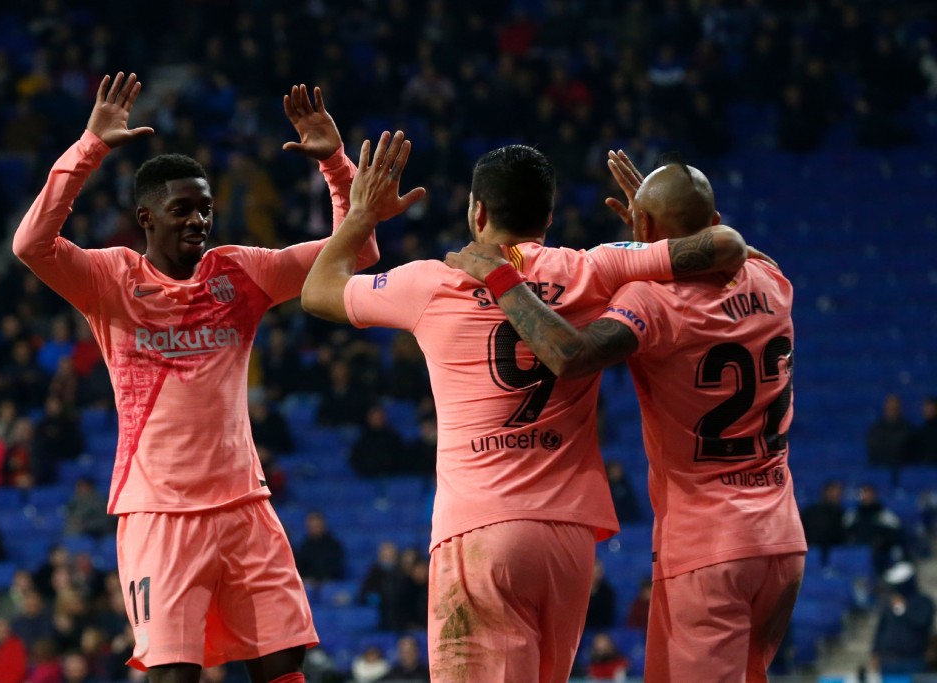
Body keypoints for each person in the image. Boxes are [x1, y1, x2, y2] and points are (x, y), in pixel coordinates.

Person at [300, 135, 747, 682]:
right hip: (568, 537)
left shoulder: (432, 281)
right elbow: (725, 247)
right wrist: (647, 232)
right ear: (549, 216)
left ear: (477, 212)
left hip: (481, 531)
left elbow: (318, 290)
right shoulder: (595, 268)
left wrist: (362, 214)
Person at [12, 73, 378, 683]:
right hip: (160, 514)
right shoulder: (111, 280)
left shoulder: (240, 273)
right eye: (181, 209)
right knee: (174, 674)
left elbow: (355, 255)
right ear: (146, 217)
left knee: (285, 662)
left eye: (205, 208)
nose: (198, 221)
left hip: (245, 505)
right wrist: (89, 149)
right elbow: (31, 244)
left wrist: (336, 165)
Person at [445, 151, 806, 683]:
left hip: (708, 547)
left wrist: (502, 279)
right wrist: (654, 232)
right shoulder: (772, 278)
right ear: (711, 220)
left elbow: (570, 355)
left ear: (646, 230)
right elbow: (731, 248)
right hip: (781, 540)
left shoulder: (652, 300)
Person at [872, 562, 936, 676]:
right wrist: (875, 651)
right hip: (888, 662)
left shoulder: (923, 602)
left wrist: (903, 608)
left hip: (913, 661)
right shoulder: (889, 603)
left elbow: (923, 623)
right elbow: (881, 628)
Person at [800, 480, 847, 560]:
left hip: (834, 551)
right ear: (825, 492)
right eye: (832, 491)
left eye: (839, 493)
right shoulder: (810, 511)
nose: (836, 495)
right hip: (811, 549)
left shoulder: (841, 513)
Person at [867, 393, 913, 468]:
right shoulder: (876, 428)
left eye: (895, 408)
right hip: (879, 466)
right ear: (885, 408)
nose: (892, 409)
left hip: (902, 466)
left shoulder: (908, 428)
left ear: (899, 409)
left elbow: (906, 449)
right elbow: (873, 448)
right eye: (890, 407)